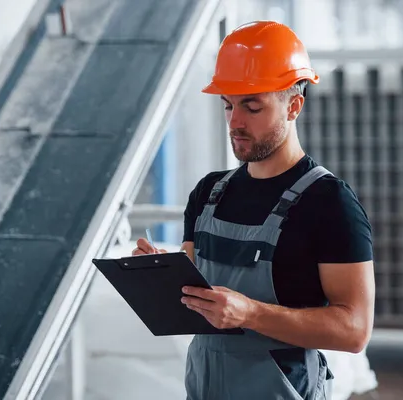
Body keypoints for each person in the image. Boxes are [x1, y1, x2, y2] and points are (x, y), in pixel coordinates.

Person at [132, 20, 375, 400]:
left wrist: (250, 314)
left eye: (252, 106)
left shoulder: (329, 203)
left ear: (294, 105)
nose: (235, 122)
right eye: (227, 104)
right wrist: (160, 272)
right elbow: (195, 298)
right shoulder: (208, 193)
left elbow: (355, 329)